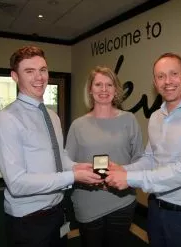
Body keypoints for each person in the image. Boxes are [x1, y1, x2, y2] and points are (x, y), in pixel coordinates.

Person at [0, 46, 103, 247]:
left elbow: (59, 156)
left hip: (57, 210)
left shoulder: (52, 115)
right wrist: (72, 177)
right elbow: (16, 183)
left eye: (42, 70)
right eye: (29, 71)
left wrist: (76, 167)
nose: (39, 77)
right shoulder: (6, 120)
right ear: (15, 76)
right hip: (29, 220)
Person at [105, 53, 181, 247]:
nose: (167, 81)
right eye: (160, 76)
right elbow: (150, 158)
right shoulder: (157, 116)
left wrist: (130, 179)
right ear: (155, 82)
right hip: (156, 210)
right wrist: (124, 170)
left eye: (174, 74)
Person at [65, 66, 144, 247]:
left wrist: (124, 173)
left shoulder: (129, 120)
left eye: (109, 85)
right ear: (90, 90)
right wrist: (83, 174)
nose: (103, 90)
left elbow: (140, 158)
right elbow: (68, 163)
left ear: (116, 90)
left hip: (122, 201)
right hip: (87, 202)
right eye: (98, 84)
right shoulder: (78, 125)